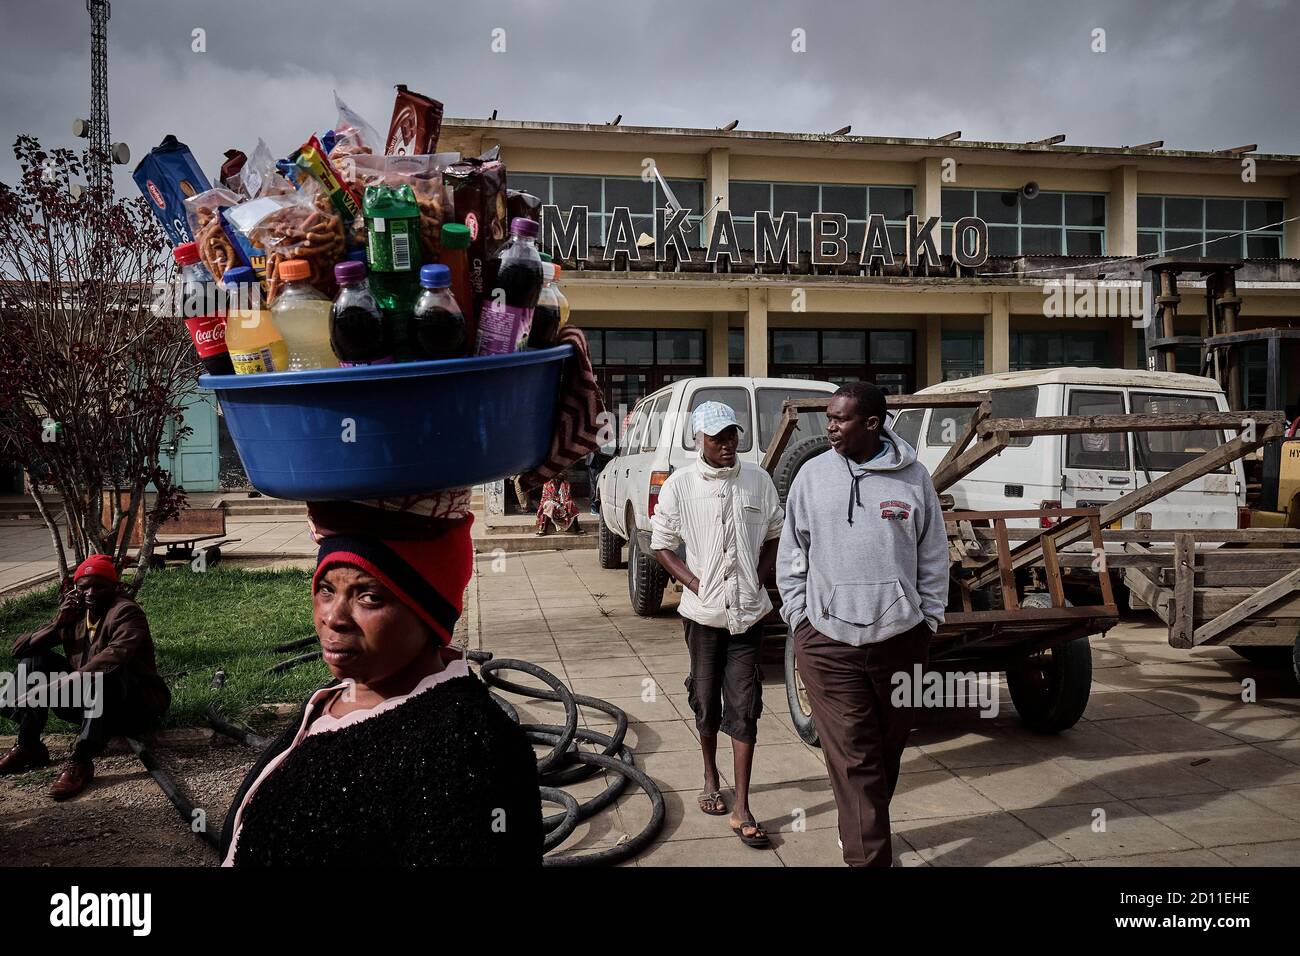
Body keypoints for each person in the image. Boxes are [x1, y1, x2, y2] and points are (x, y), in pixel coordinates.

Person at [219, 502, 543, 866]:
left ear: (428, 613)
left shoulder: (469, 750)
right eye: (326, 589)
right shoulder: (338, 698)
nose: (333, 617)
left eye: (368, 596)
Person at [777, 381, 949, 867]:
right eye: (828, 417)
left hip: (901, 640)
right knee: (857, 756)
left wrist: (928, 619)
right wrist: (799, 617)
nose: (829, 426)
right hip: (828, 643)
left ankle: (855, 825)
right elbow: (793, 553)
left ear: (872, 424)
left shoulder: (914, 479)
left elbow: (933, 555)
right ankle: (868, 858)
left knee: (885, 752)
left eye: (840, 419)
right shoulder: (812, 477)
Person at [651, 401, 783, 849]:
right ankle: (710, 774)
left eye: (733, 436)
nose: (728, 444)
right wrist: (692, 581)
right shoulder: (680, 485)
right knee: (706, 701)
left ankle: (743, 805)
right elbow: (661, 544)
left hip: (749, 615)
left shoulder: (759, 481)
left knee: (744, 706)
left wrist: (759, 578)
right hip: (703, 617)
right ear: (698, 440)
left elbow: (773, 535)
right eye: (717, 437)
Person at [0, 554, 170, 801]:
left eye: (99, 586)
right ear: (75, 589)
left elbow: (115, 655)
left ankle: (81, 760)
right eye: (84, 587)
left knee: (104, 672)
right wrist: (58, 623)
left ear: (115, 587)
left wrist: (55, 686)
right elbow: (20, 651)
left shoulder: (126, 612)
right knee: (35, 660)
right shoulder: (77, 614)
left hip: (133, 706)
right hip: (93, 706)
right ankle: (29, 745)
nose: (90, 593)